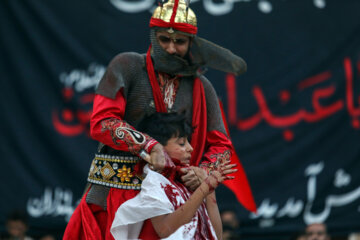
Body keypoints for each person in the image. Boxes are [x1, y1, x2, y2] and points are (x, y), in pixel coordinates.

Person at [63, 0, 246, 239]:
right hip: (116, 195)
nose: (171, 48)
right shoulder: (126, 66)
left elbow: (221, 145)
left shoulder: (202, 87)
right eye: (164, 40)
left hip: (173, 201)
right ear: (153, 36)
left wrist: (203, 171)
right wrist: (149, 146)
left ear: (191, 42)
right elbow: (102, 121)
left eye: (179, 41)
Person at [111, 112, 237, 239]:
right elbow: (165, 229)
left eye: (188, 141)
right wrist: (204, 189)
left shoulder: (188, 178)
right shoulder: (155, 182)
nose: (190, 148)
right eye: (182, 143)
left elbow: (217, 236)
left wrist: (210, 191)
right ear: (159, 148)